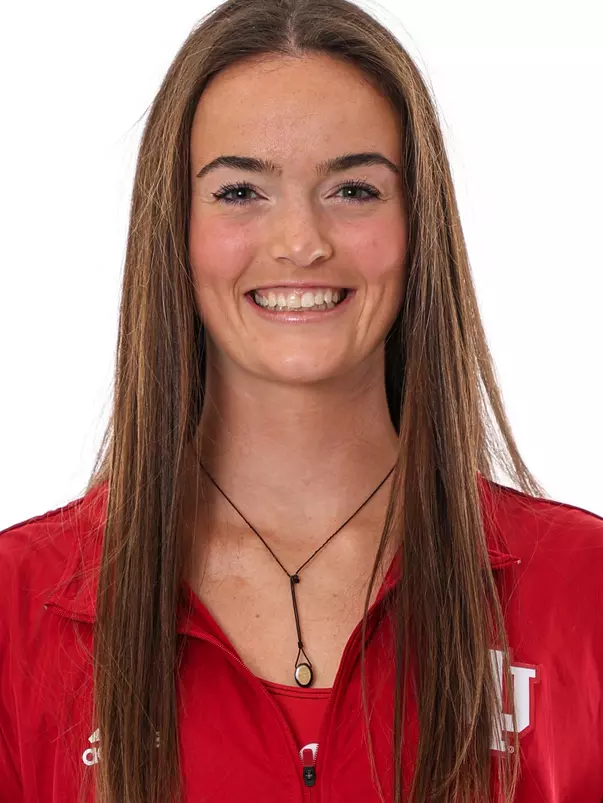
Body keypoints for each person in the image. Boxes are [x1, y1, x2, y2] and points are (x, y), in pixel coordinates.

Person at [1, 0, 602, 801]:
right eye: (240, 191)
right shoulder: (17, 607)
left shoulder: (581, 586)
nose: (300, 240)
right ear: (173, 229)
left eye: (353, 189)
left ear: (417, 225)